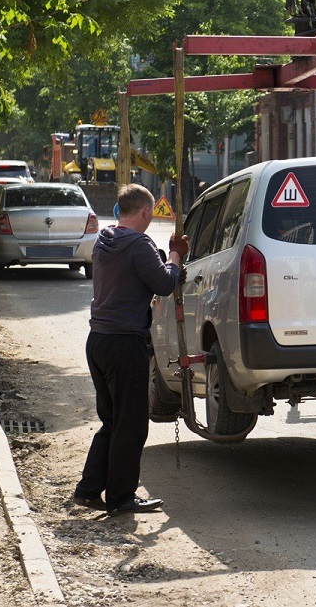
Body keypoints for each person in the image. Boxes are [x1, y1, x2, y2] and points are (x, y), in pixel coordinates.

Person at [72, 184, 189, 517]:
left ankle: (89, 489)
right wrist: (175, 255)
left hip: (98, 341)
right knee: (132, 424)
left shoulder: (104, 240)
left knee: (112, 420)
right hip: (126, 344)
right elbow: (165, 284)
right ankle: (121, 498)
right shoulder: (139, 245)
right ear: (146, 212)